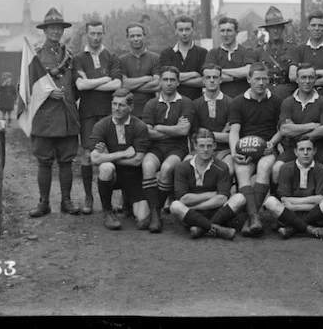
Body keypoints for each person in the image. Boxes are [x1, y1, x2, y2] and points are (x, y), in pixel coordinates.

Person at [28, 7, 81, 217]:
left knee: (66, 160)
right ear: (45, 30)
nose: (55, 32)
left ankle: (66, 202)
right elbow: (24, 87)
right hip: (45, 118)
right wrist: (48, 94)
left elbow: (75, 85)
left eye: (59, 28)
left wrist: (67, 98)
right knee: (44, 161)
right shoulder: (35, 56)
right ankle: (43, 203)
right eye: (51, 28)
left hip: (67, 116)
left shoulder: (70, 56)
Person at [73, 20, 124, 215]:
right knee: (86, 155)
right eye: (92, 33)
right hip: (87, 113)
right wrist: (105, 79)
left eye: (99, 33)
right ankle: (88, 197)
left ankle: (111, 200)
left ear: (104, 33)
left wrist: (90, 82)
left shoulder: (111, 57)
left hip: (109, 113)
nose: (95, 37)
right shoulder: (78, 58)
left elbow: (118, 84)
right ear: (86, 33)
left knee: (111, 156)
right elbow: (80, 86)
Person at [228, 62, 283, 236]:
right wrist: (235, 152)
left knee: (265, 167)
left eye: (264, 79)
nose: (261, 82)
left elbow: (281, 129)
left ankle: (250, 218)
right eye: (257, 79)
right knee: (242, 172)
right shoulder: (238, 102)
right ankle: (254, 216)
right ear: (248, 79)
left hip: (266, 147)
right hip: (246, 148)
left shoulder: (276, 100)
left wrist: (272, 144)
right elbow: (234, 131)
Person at [141, 66, 196, 233]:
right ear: (160, 82)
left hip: (177, 148)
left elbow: (184, 131)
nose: (169, 83)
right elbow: (147, 133)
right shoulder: (151, 103)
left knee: (166, 168)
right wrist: (173, 130)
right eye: (165, 79)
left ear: (178, 82)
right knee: (148, 166)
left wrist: (159, 127)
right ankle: (154, 211)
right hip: (155, 148)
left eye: (172, 80)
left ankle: (156, 214)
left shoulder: (185, 102)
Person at [88, 89, 151, 231]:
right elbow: (94, 159)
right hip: (113, 175)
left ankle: (128, 201)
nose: (117, 108)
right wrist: (123, 153)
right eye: (114, 104)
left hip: (133, 175)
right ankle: (108, 212)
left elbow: (137, 160)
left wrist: (108, 155)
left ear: (131, 107)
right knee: (106, 168)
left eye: (121, 105)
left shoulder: (139, 126)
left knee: (143, 222)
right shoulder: (101, 125)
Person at [170, 128, 245, 240]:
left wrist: (196, 206)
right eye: (201, 146)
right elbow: (184, 199)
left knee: (240, 198)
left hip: (212, 212)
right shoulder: (182, 167)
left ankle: (201, 229)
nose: (205, 150)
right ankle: (217, 229)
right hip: (190, 215)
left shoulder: (222, 167)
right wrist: (212, 194)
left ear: (214, 146)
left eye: (209, 146)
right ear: (195, 146)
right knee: (175, 206)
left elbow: (222, 199)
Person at [273, 63, 323, 197]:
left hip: (319, 148)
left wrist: (296, 129)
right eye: (303, 77)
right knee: (276, 169)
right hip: (293, 148)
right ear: (296, 79)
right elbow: (284, 130)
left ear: (315, 79)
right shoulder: (288, 102)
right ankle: (277, 209)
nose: (307, 81)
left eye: (311, 77)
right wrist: (312, 125)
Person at [263, 136, 323, 240]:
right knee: (270, 201)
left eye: (309, 149)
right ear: (295, 152)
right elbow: (284, 200)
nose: (305, 153)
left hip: (313, 214)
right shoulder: (286, 168)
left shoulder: (321, 169)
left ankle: (293, 228)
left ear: (314, 151)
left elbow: (320, 199)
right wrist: (310, 201)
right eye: (301, 149)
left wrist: (294, 206)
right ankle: (311, 230)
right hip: (291, 213)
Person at [289, 10, 323, 101]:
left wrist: (307, 82)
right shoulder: (299, 48)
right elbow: (292, 75)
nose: (317, 28)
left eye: (320, 25)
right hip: (302, 98)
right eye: (313, 25)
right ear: (308, 27)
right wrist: (322, 72)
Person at [191, 64, 234, 175]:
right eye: (208, 77)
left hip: (224, 151)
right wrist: (220, 134)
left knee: (227, 169)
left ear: (220, 79)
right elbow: (194, 135)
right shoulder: (195, 104)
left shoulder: (231, 103)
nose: (211, 80)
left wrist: (205, 133)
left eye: (215, 77)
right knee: (186, 166)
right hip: (200, 151)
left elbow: (230, 137)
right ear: (202, 80)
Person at [204, 16, 256, 98]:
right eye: (222, 31)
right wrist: (239, 76)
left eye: (229, 31)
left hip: (244, 101)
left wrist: (222, 71)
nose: (225, 34)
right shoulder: (213, 53)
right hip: (220, 101)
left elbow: (248, 71)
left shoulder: (247, 51)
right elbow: (212, 76)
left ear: (237, 32)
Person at [159, 15, 208, 101]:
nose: (184, 33)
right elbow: (165, 78)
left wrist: (175, 79)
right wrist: (194, 74)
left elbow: (204, 81)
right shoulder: (166, 53)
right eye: (181, 30)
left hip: (195, 103)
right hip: (171, 103)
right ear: (176, 31)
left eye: (187, 29)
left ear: (193, 30)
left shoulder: (202, 53)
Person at [254, 6, 297, 101]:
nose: (275, 30)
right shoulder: (259, 51)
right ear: (267, 30)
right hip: (265, 96)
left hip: (287, 96)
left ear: (283, 28)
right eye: (272, 27)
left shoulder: (293, 49)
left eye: (278, 27)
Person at [119, 23, 161, 118]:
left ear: (144, 36)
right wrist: (147, 78)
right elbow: (123, 84)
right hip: (127, 111)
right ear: (127, 38)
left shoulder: (155, 58)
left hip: (150, 110)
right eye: (132, 36)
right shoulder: (122, 60)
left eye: (139, 35)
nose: (136, 39)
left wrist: (131, 86)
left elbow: (157, 84)